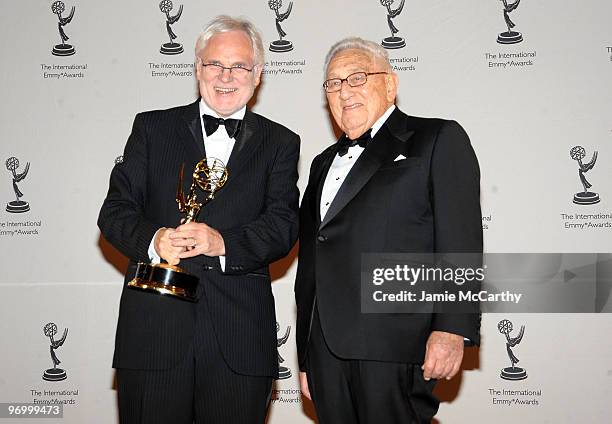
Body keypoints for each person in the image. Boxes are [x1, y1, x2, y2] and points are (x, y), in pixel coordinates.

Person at [98, 15, 300, 424]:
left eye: (240, 66)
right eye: (214, 64)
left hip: (239, 339)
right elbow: (115, 211)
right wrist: (155, 240)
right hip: (155, 333)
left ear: (257, 74)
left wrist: (221, 242)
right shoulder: (152, 128)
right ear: (197, 68)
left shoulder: (281, 142)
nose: (226, 76)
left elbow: (283, 225)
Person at [294, 37, 482, 424]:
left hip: (394, 345)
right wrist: (306, 355)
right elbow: (313, 261)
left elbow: (460, 239)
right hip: (325, 350)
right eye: (333, 83)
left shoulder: (436, 139)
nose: (344, 91)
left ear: (391, 85)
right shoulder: (320, 164)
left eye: (357, 77)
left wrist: (451, 328)